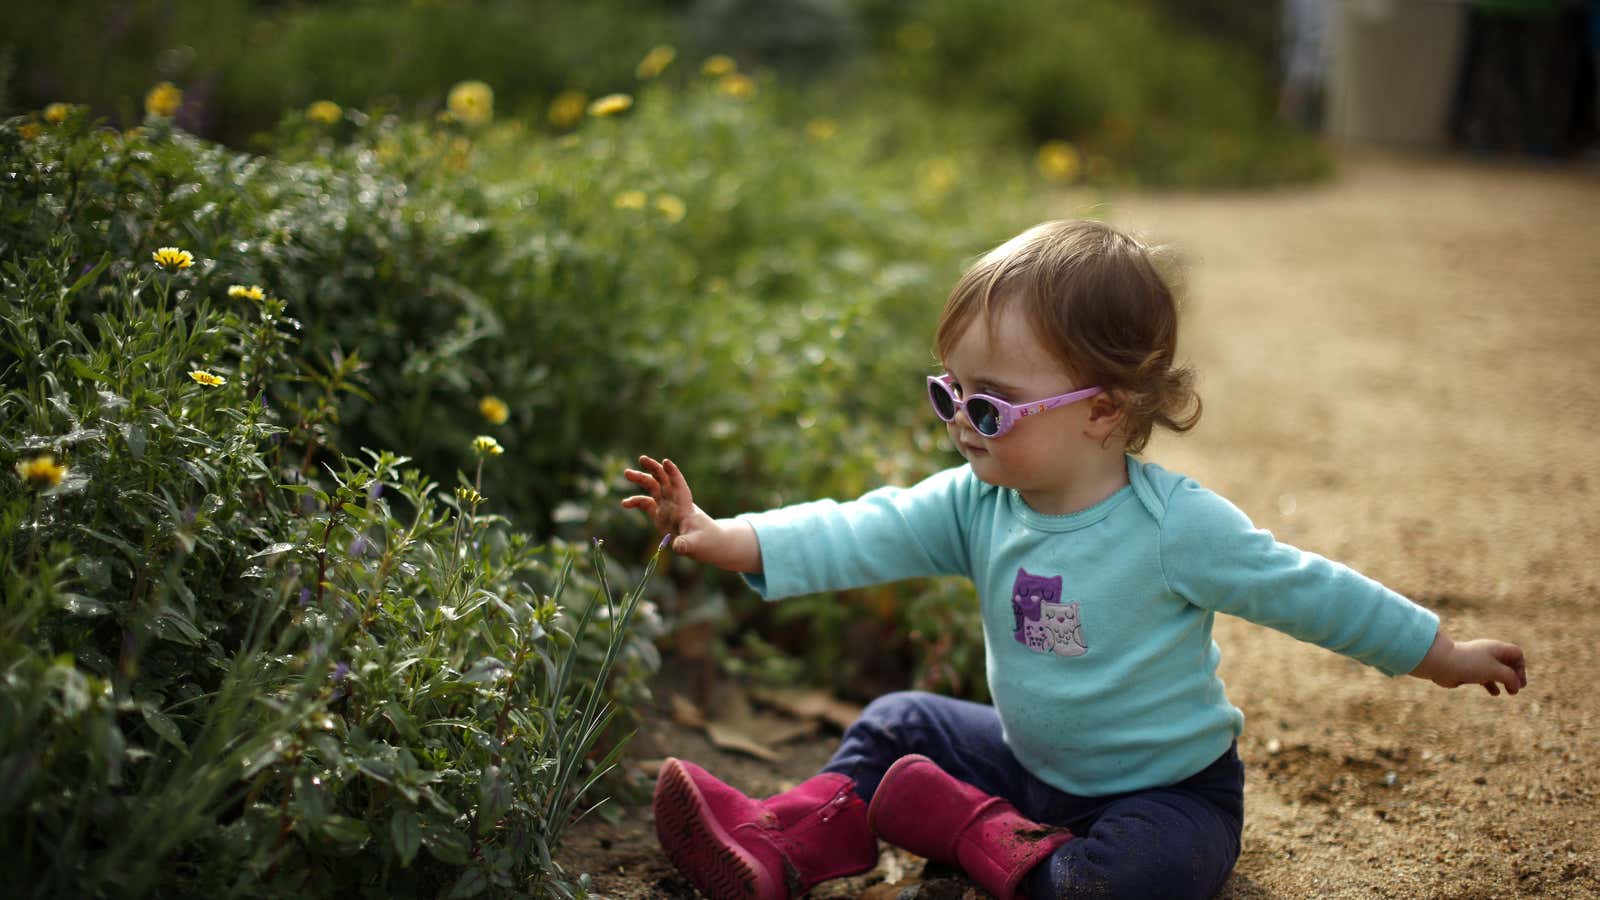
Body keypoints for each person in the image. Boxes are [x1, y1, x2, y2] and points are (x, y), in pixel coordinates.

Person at [621, 219, 1528, 900]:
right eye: (950, 391)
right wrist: (721, 531)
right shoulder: (978, 503)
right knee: (902, 721)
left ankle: (994, 845)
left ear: (1105, 410)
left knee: (1149, 871)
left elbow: (1305, 588)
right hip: (1026, 764)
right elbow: (858, 529)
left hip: (1165, 793)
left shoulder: (1174, 526)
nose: (958, 424)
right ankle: (785, 841)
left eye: (991, 408)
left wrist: (1436, 652)